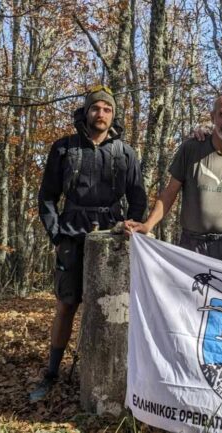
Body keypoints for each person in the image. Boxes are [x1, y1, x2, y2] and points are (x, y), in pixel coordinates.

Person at [32, 85, 147, 402]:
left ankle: (113, 376)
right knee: (67, 304)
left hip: (113, 240)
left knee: (113, 308)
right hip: (72, 234)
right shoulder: (64, 149)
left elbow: (138, 198)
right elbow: (47, 197)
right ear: (86, 112)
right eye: (96, 108)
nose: (101, 114)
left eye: (107, 109)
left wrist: (131, 229)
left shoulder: (124, 152)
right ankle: (52, 373)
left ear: (113, 115)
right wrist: (56, 234)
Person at [125, 93, 222, 265]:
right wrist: (148, 225)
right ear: (213, 117)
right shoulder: (191, 149)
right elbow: (169, 193)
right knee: (187, 292)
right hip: (192, 245)